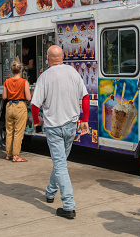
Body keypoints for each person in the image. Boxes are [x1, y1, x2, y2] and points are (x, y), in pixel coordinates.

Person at [31, 45, 90, 219]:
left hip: (54, 127)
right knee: (61, 162)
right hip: (71, 125)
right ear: (63, 57)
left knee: (60, 165)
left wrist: (36, 123)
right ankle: (50, 192)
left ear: (48, 59)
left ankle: (69, 206)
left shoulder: (44, 77)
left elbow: (35, 106)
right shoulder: (73, 73)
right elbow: (85, 97)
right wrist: (85, 120)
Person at [2, 58, 31, 162]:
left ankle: (8, 154)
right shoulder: (24, 82)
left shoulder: (7, 81)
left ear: (11, 70)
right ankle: (16, 155)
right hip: (20, 106)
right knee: (18, 132)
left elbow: (4, 96)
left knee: (9, 131)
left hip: (9, 106)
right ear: (21, 69)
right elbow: (28, 98)